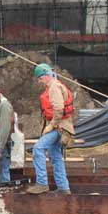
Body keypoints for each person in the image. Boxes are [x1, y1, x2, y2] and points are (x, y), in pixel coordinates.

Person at [26, 63, 75, 195]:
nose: (40, 81)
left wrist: (51, 125)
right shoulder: (57, 85)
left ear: (46, 76)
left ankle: (42, 183)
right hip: (63, 127)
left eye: (40, 78)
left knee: (38, 148)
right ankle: (64, 188)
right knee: (56, 156)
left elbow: (58, 109)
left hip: (59, 127)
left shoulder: (54, 87)